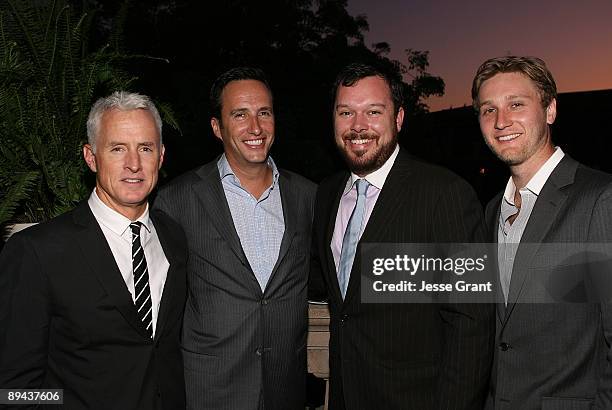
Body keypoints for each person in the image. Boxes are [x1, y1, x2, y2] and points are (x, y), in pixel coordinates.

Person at [309, 62, 494, 410]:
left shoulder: (448, 194)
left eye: (373, 112)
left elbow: (472, 325)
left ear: (398, 119)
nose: (358, 126)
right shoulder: (326, 193)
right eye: (346, 112)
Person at [0, 91, 187, 409]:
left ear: (161, 156)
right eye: (117, 149)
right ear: (91, 156)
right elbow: (12, 391)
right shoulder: (37, 251)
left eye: (145, 148)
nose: (133, 164)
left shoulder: (174, 237)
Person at [154, 67, 316, 410]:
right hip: (210, 390)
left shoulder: (308, 196)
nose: (255, 128)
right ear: (217, 127)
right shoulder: (177, 200)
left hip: (284, 388)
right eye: (240, 114)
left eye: (264, 113)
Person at [473, 56, 612, 410]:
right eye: (488, 110)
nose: (501, 121)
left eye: (516, 104)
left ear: (549, 109)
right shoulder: (491, 211)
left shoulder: (599, 197)